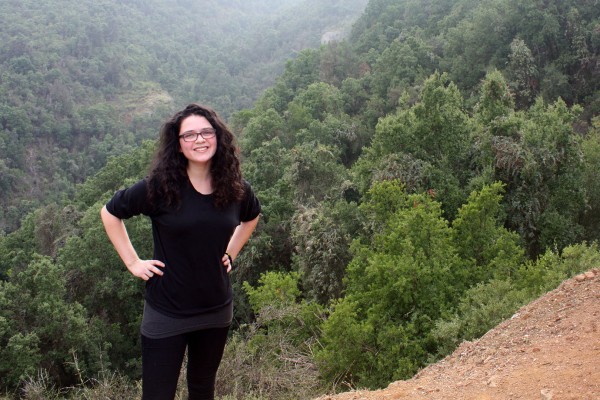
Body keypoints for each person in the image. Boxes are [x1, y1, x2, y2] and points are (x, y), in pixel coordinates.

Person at [100, 103, 261, 400]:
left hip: (215, 310)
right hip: (167, 311)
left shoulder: (236, 188)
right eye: (189, 135)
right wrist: (133, 262)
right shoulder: (160, 188)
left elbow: (252, 216)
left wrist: (232, 252)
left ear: (218, 137)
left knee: (202, 391)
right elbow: (110, 213)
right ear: (178, 144)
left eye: (205, 132)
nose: (199, 140)